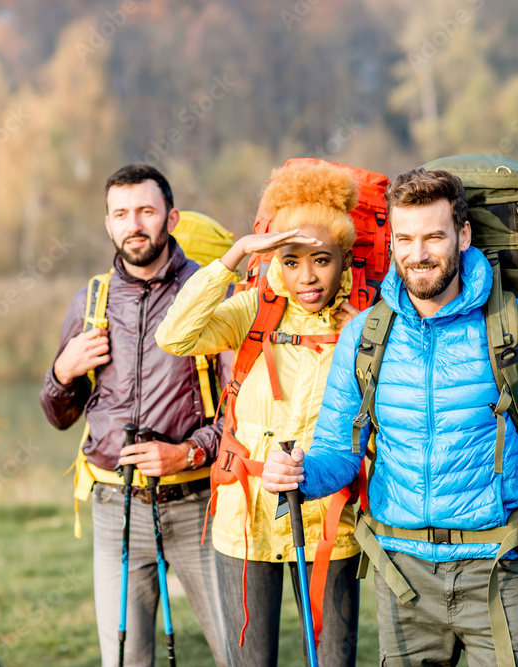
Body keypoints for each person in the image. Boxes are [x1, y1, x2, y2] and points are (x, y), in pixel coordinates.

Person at [262, 168, 518, 666]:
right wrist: (299, 474)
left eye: (434, 236)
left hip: (499, 565)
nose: (418, 253)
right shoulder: (365, 336)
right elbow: (337, 452)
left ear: (463, 236)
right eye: (405, 238)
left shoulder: (517, 327)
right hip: (403, 575)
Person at [155, 161, 363, 667]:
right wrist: (235, 257)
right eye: (290, 261)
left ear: (344, 258)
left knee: (333, 660)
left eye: (320, 260)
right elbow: (174, 337)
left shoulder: (365, 323)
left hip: (328, 523)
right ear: (274, 260)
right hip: (243, 518)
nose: (307, 276)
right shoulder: (254, 311)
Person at [40, 164, 228, 667]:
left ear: (172, 217)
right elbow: (59, 415)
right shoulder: (90, 301)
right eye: (121, 214)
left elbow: (242, 412)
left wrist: (188, 451)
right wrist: (62, 373)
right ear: (108, 224)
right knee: (125, 660)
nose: (134, 224)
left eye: (146, 211)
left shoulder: (210, 294)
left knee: (240, 653)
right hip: (115, 507)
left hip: (199, 507)